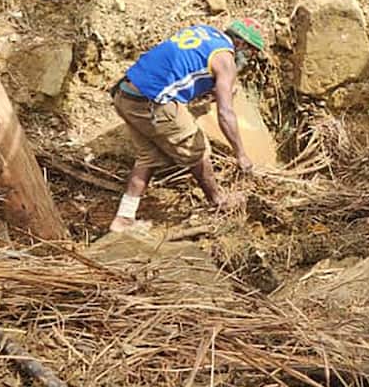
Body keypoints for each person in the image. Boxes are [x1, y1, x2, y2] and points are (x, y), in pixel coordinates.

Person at [110, 19, 265, 232]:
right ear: (241, 44)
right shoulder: (226, 60)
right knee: (198, 150)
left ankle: (124, 217)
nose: (249, 59)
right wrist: (241, 154)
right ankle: (219, 200)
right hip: (150, 103)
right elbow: (225, 113)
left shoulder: (205, 32)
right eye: (251, 52)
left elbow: (179, 69)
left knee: (148, 157)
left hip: (124, 93)